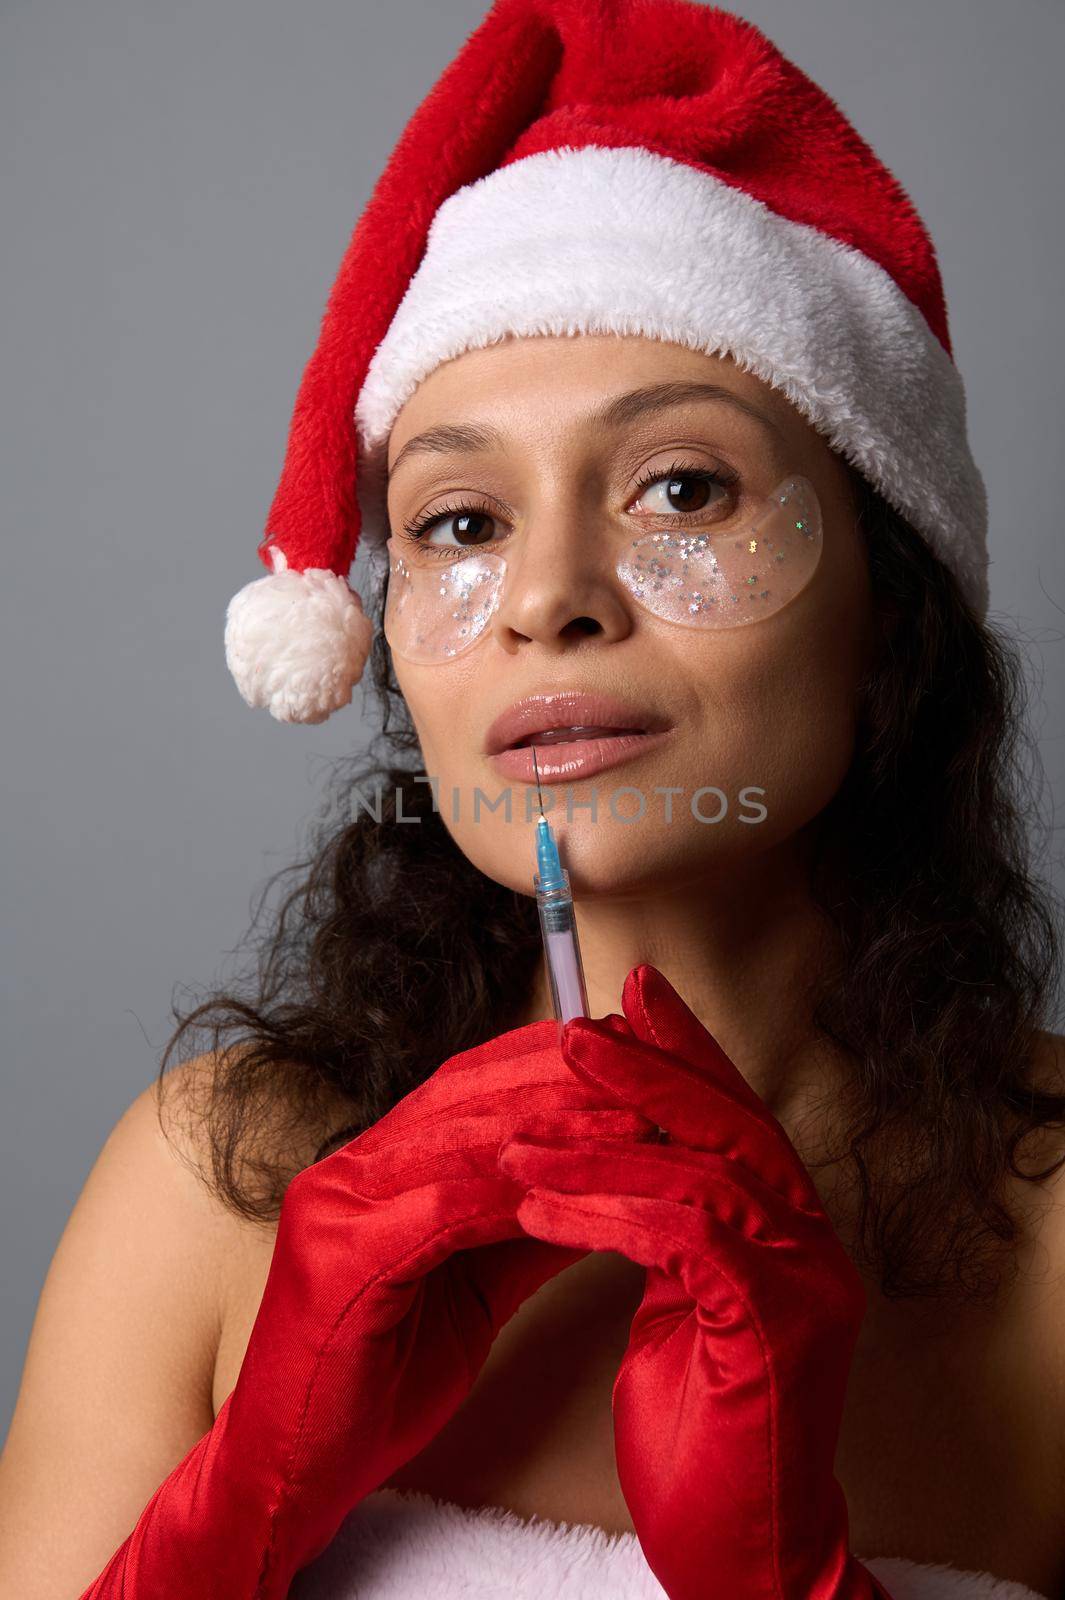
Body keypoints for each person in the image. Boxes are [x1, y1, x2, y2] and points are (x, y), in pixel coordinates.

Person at [1, 2, 1062, 1597]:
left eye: (682, 489)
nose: (543, 600)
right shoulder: (213, 1183)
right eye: (455, 522)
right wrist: (227, 1522)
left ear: (889, 604)